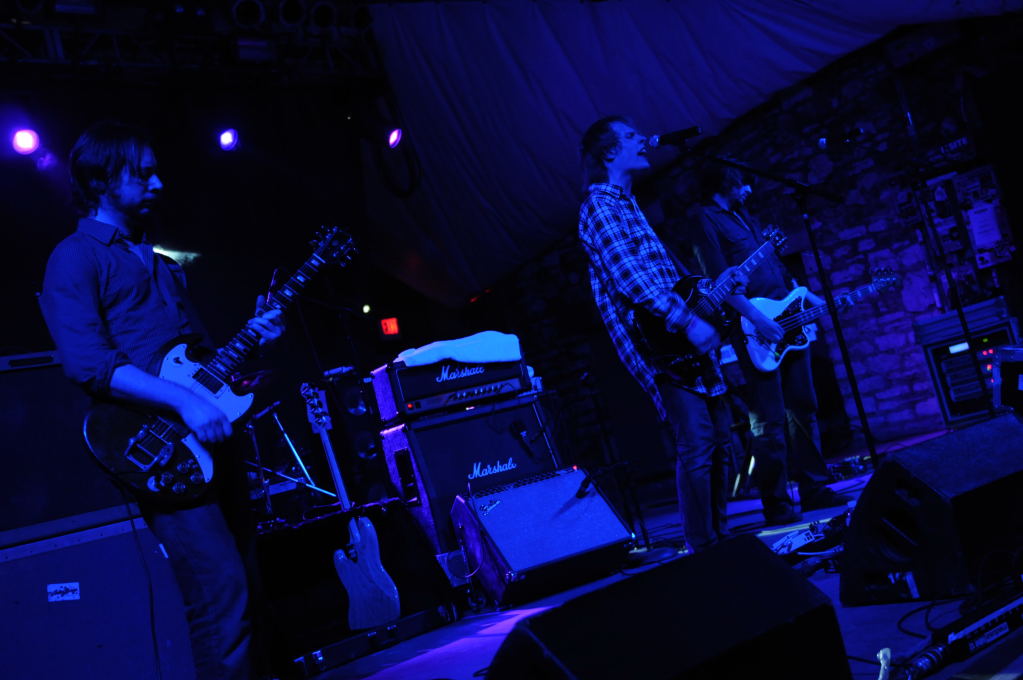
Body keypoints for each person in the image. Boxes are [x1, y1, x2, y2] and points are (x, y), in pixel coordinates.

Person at [39, 121, 284, 679]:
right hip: (157, 448)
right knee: (221, 595)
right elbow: (88, 363)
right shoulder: (75, 258)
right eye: (142, 173)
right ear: (101, 181)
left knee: (250, 586)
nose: (158, 182)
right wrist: (183, 403)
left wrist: (256, 341)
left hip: (209, 437)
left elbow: (198, 363)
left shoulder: (162, 263)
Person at [577, 115, 745, 552]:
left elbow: (670, 280)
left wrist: (713, 289)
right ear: (609, 152)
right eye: (632, 136)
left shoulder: (629, 204)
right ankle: (703, 548)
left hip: (681, 339)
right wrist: (689, 322)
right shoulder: (600, 206)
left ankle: (722, 541)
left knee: (721, 441)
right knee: (698, 444)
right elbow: (630, 279)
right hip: (661, 347)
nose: (644, 139)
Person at [687, 162, 851, 525]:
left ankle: (814, 488)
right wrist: (759, 320)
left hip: (788, 319)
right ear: (724, 182)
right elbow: (719, 281)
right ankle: (776, 504)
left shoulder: (745, 216)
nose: (748, 190)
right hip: (754, 327)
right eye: (741, 183)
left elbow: (777, 269)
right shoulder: (705, 219)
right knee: (769, 419)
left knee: (804, 406)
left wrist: (808, 300)